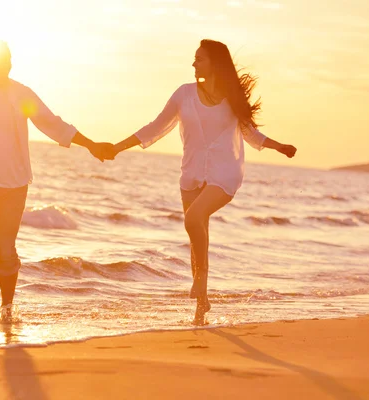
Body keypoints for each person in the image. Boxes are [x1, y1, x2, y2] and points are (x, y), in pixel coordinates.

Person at [108, 39, 297, 325]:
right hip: (191, 172)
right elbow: (155, 127)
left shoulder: (231, 98)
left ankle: (199, 281)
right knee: (198, 239)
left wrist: (279, 146)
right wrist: (117, 147)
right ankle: (201, 309)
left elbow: (250, 133)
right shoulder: (184, 94)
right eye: (194, 58)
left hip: (225, 171)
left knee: (192, 218)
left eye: (200, 58)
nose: (194, 63)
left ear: (214, 63)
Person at [0, 40, 113, 312]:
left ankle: (7, 309)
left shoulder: (21, 94)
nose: (11, 65)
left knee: (6, 246)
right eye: (6, 60)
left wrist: (91, 144)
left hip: (14, 185)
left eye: (11, 60)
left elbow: (51, 123)